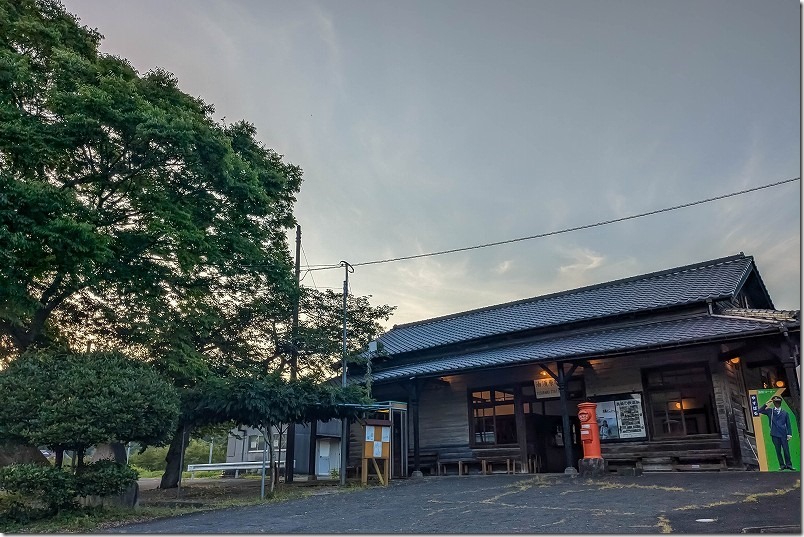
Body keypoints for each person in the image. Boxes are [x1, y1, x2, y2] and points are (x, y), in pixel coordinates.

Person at [758, 395, 795, 471]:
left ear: (780, 403)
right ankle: (782, 465)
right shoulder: (770, 411)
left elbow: (788, 425)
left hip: (783, 434)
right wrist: (766, 403)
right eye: (775, 402)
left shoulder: (785, 413)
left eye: (778, 402)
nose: (777, 404)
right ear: (773, 403)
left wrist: (789, 434)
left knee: (786, 450)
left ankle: (789, 465)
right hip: (774, 434)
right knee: (778, 450)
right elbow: (759, 411)